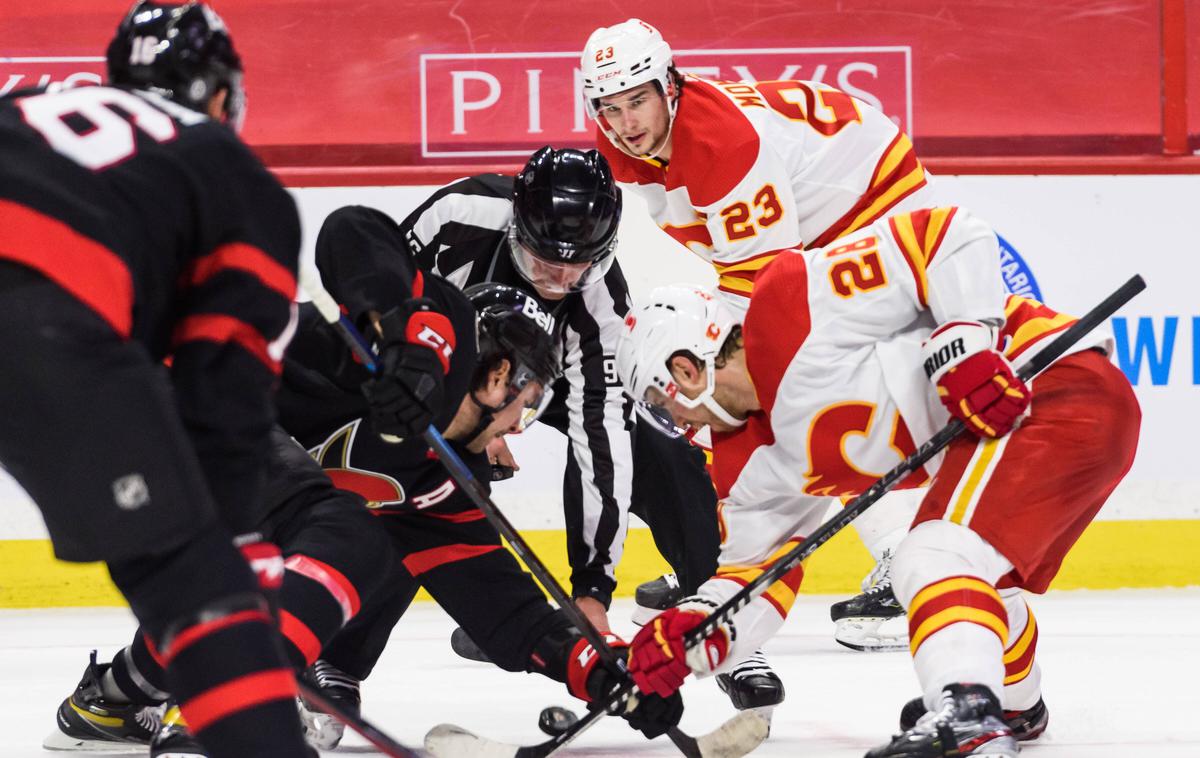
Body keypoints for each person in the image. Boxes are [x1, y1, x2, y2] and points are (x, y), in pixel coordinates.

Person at [615, 206, 1140, 757]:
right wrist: (696, 632)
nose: (672, 424)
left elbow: (947, 237)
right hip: (1008, 438)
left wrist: (967, 346)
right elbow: (752, 579)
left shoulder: (791, 302)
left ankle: (968, 711)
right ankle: (1013, 705)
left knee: (932, 555)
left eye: (658, 402)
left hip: (1051, 385)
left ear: (686, 369)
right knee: (979, 582)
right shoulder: (746, 461)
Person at [301, 146, 771, 713]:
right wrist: (462, 408)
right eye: (546, 260)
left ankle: (721, 616)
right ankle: (342, 654)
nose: (561, 278)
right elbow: (381, 291)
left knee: (659, 450)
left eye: (579, 266)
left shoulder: (597, 307)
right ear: (516, 224)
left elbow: (602, 442)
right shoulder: (460, 215)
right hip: (439, 364)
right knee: (415, 479)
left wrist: (592, 589)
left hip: (537, 377)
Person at [0, 2, 314, 756]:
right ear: (218, 94)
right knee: (193, 578)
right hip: (40, 302)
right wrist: (235, 547)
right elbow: (226, 391)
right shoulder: (228, 167)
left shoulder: (30, 102)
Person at [580, 17, 944, 656]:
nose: (625, 121)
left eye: (637, 100)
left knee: (792, 387)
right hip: (815, 221)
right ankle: (713, 551)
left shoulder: (722, 146)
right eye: (609, 107)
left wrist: (692, 375)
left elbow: (768, 292)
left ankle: (905, 570)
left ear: (670, 86)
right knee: (729, 388)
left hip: (873, 209)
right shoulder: (626, 147)